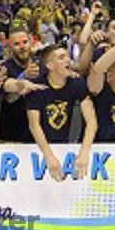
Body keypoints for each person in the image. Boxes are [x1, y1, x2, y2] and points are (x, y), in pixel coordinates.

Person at [26, 44, 97, 181]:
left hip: (63, 144)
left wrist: (84, 152)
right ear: (50, 65)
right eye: (61, 58)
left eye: (68, 56)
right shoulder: (37, 86)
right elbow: (34, 125)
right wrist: (49, 156)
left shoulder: (77, 83)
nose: (67, 60)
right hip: (35, 148)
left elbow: (92, 120)